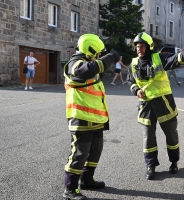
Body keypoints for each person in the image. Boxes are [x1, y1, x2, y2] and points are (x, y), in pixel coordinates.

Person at [126, 32, 184, 180]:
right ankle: (150, 166)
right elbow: (130, 81)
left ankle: (174, 162)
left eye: (142, 46)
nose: (140, 49)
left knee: (171, 135)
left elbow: (174, 59)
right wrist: (136, 90)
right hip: (146, 107)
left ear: (149, 47)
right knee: (148, 138)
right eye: (138, 47)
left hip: (164, 104)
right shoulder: (133, 64)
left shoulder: (159, 58)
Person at [63, 33, 119, 200]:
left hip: (95, 119)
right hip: (81, 119)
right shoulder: (75, 64)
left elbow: (96, 70)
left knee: (95, 151)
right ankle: (70, 189)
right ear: (90, 51)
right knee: (79, 154)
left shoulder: (89, 62)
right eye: (99, 53)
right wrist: (110, 57)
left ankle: (87, 179)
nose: (100, 55)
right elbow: (86, 71)